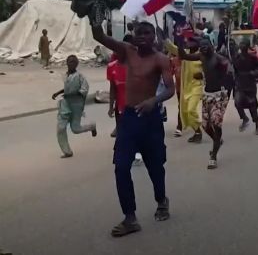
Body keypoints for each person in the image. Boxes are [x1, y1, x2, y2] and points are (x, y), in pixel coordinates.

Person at [91, 20, 174, 237]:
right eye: (139, 33)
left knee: (155, 165)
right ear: (134, 35)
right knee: (120, 166)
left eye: (148, 33)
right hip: (128, 118)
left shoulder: (161, 59)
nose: (143, 37)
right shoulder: (127, 52)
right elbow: (100, 37)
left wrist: (153, 101)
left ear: (154, 36)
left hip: (150, 118)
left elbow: (170, 89)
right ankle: (130, 217)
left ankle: (161, 200)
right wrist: (93, 17)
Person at [177, 37, 233, 169]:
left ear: (211, 45)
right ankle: (217, 140)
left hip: (220, 95)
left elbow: (230, 73)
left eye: (206, 45)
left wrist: (228, 91)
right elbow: (184, 56)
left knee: (215, 123)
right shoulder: (201, 56)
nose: (203, 47)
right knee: (205, 125)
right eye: (201, 46)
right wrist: (179, 42)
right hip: (207, 95)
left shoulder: (219, 59)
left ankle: (213, 155)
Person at [52, 55, 97, 158]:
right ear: (67, 63)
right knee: (60, 128)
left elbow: (84, 90)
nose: (71, 64)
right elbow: (67, 88)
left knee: (75, 129)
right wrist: (57, 93)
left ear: (76, 64)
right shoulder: (66, 75)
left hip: (76, 106)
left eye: (73, 62)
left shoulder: (80, 76)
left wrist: (70, 95)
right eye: (69, 62)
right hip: (65, 105)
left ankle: (91, 127)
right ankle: (67, 151)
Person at [165, 37, 204, 143]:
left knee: (191, 110)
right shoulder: (184, 53)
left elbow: (209, 69)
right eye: (189, 41)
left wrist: (203, 75)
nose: (190, 43)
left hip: (196, 87)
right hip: (184, 87)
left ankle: (199, 127)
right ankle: (197, 131)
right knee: (185, 112)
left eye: (193, 41)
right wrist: (165, 39)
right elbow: (172, 48)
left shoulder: (201, 55)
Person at [233, 39, 258, 134]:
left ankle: (257, 125)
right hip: (240, 83)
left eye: (243, 44)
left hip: (250, 83)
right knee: (237, 102)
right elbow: (233, 70)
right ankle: (244, 118)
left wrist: (254, 72)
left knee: (252, 105)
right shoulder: (236, 57)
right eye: (240, 44)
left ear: (247, 47)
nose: (241, 46)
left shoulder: (253, 57)